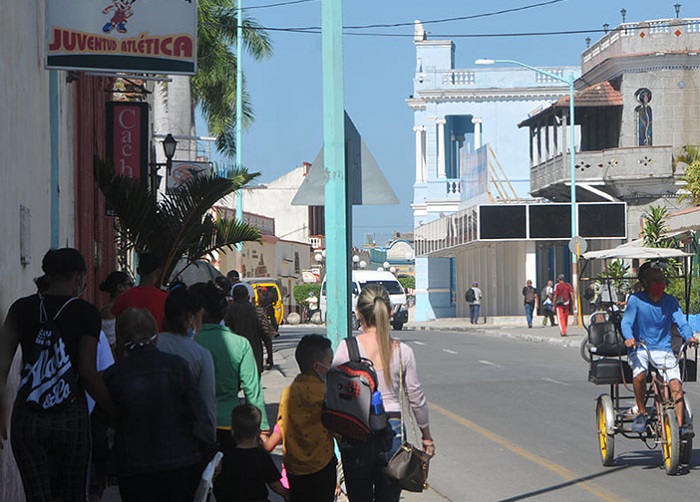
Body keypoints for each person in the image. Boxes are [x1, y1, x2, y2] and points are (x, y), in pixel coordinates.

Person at [0, 247, 116, 501]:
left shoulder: (20, 309)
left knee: (37, 495)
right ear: (79, 277)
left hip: (27, 416)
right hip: (70, 416)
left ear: (48, 275)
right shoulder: (86, 314)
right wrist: (115, 412)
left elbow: (2, 364)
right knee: (72, 494)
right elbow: (86, 372)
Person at [333, 285, 435, 502]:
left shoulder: (346, 348)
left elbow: (333, 393)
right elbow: (416, 398)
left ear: (358, 313)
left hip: (355, 428)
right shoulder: (402, 351)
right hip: (392, 430)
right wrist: (427, 438)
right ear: (389, 312)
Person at [103, 308, 216, 502]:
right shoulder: (177, 366)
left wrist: (105, 465)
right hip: (180, 462)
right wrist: (209, 453)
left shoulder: (114, 375)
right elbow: (198, 413)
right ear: (155, 336)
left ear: (121, 338)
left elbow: (105, 423)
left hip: (134, 467)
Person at [621, 261, 699, 434]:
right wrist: (629, 338)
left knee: (676, 385)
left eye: (661, 280)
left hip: (664, 349)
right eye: (655, 281)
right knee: (640, 374)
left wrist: (690, 336)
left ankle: (680, 428)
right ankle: (641, 410)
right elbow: (626, 322)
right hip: (641, 348)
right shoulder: (636, 300)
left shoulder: (670, 301)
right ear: (645, 284)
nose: (660, 284)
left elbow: (682, 323)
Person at [190, 281, 270, 450]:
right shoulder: (241, 344)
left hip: (195, 423)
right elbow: (252, 390)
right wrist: (262, 426)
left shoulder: (189, 343)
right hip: (230, 424)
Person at [277, 334, 337, 502]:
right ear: (318, 366)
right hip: (322, 463)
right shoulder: (326, 393)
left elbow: (282, 425)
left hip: (294, 467)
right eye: (330, 362)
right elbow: (335, 426)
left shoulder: (287, 393)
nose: (331, 367)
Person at [156, 283, 217, 446]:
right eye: (200, 318)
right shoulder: (200, 355)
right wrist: (211, 446)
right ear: (190, 318)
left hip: (150, 437)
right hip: (185, 441)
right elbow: (207, 405)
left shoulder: (152, 344)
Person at [214, 403, 289, 502]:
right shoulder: (261, 456)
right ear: (258, 433)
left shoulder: (225, 457)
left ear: (232, 431)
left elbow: (215, 481)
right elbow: (274, 483)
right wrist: (286, 494)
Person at [112, 252, 169, 331]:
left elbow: (118, 331)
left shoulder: (122, 298)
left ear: (138, 271)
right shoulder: (166, 300)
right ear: (159, 272)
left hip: (129, 342)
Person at [224, 284, 268, 375]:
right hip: (254, 355)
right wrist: (270, 356)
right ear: (248, 297)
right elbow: (266, 335)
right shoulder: (257, 311)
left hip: (235, 354)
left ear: (234, 298)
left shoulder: (229, 311)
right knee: (254, 386)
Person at [99, 270, 133, 352]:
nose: (132, 287)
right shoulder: (109, 312)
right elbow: (110, 344)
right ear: (120, 287)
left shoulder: (119, 309)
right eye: (130, 284)